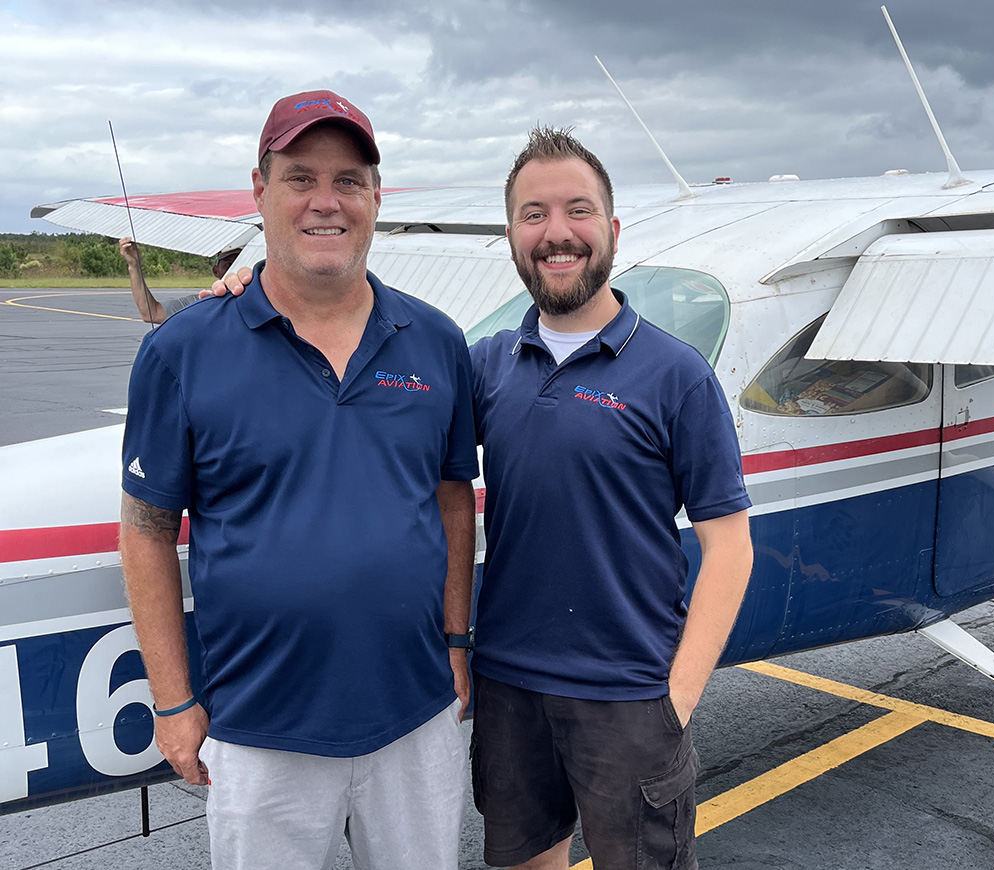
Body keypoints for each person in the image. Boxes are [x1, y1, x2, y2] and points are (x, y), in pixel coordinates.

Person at [212, 126, 755, 870]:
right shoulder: (484, 364)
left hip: (629, 693)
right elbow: (388, 387)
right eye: (534, 214)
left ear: (613, 229)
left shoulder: (676, 373)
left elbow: (730, 544)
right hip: (508, 686)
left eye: (578, 211)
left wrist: (677, 700)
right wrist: (252, 292)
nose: (556, 234)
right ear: (511, 235)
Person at [119, 89, 477, 870]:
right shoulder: (183, 349)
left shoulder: (438, 342)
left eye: (350, 180)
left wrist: (457, 640)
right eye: (300, 177)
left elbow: (454, 497)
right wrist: (174, 700)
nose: (327, 201)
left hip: (414, 719)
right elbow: (146, 530)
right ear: (260, 189)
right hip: (256, 730)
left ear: (377, 197)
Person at [120, 236, 241, 324]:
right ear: (216, 271)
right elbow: (152, 313)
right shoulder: (200, 302)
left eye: (240, 263)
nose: (235, 270)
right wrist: (133, 266)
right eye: (229, 264)